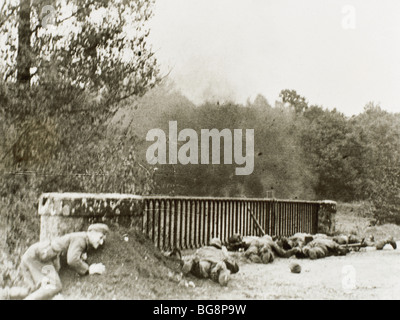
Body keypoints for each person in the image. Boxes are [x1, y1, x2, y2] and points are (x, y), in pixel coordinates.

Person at [17, 223, 109, 300]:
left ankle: (5, 294)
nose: (101, 242)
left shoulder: (82, 239)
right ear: (92, 232)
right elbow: (72, 260)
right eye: (100, 237)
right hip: (39, 257)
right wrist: (89, 269)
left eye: (103, 240)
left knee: (34, 291)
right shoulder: (81, 239)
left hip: (32, 255)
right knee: (54, 286)